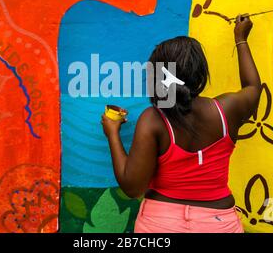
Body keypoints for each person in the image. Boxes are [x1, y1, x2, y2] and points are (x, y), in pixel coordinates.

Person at [101, 15, 261, 233]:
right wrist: (241, 39)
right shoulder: (229, 110)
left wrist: (112, 133)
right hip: (219, 224)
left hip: (160, 225)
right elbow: (253, 87)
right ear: (200, 72)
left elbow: (132, 187)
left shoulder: (154, 120)